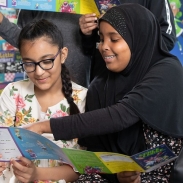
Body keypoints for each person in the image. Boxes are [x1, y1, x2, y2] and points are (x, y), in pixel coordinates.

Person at [17, 3, 183, 183]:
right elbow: (98, 154)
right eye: (101, 39)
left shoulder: (167, 71)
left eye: (114, 39)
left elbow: (120, 115)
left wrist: (44, 126)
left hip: (167, 176)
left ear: (138, 37)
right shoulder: (100, 86)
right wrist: (120, 176)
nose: (104, 46)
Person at [0, 19, 87, 183]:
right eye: (29, 64)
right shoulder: (12, 93)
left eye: (47, 61)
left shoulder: (83, 98)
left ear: (63, 55)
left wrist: (36, 175)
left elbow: (80, 168)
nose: (39, 72)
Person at [79, 0, 176, 81]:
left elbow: (167, 37)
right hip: (101, 80)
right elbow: (90, 50)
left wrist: (132, 50)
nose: (105, 46)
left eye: (114, 39)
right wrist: (87, 34)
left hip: (138, 80)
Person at [0, 10, 91, 88]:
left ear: (63, 54)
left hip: (80, 79)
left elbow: (100, 42)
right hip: (37, 84)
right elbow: (25, 39)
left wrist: (89, 34)